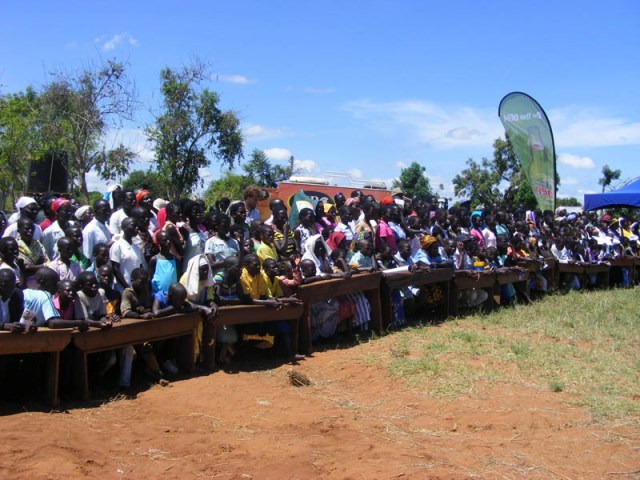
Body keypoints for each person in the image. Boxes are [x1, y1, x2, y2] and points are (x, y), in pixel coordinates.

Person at [110, 217, 146, 289]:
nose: (137, 228)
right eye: (133, 226)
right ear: (124, 228)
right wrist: (127, 287)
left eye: (137, 226)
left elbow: (140, 267)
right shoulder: (117, 246)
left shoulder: (136, 247)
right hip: (124, 288)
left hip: (137, 288)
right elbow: (115, 270)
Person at [16, 217, 49, 289]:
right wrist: (39, 264)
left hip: (37, 280)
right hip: (20, 280)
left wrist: (32, 267)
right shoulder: (15, 245)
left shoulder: (38, 245)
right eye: (27, 229)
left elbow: (48, 263)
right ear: (19, 230)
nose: (30, 231)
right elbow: (22, 266)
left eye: (32, 229)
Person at [149, 231, 178, 298]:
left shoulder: (175, 259)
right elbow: (150, 279)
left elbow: (178, 276)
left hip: (172, 295)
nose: (168, 242)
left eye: (169, 239)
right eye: (164, 240)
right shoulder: (154, 260)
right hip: (158, 296)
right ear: (158, 243)